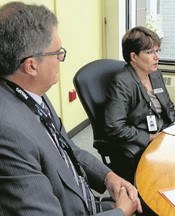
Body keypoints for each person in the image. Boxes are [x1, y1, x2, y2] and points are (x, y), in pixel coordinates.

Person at [0, 2, 142, 216]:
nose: (61, 59)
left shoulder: (32, 92)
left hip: (84, 201)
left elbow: (68, 149)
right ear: (31, 66)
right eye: (57, 53)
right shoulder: (9, 133)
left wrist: (108, 177)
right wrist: (120, 212)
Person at [104, 26, 175, 150]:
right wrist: (149, 137)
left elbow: (169, 105)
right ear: (134, 57)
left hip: (164, 133)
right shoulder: (122, 83)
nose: (157, 57)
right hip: (143, 143)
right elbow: (114, 127)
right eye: (150, 52)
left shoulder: (155, 74)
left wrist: (170, 129)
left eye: (157, 51)